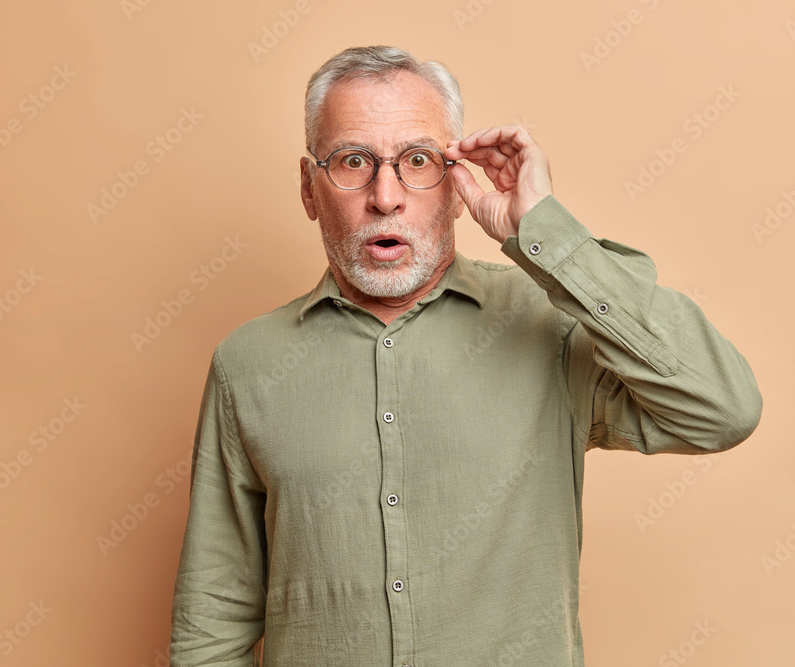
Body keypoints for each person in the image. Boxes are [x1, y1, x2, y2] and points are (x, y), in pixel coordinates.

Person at [169, 45, 762, 667]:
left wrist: (545, 234)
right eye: (352, 161)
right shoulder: (249, 363)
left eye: (418, 160)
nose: (386, 196)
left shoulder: (551, 327)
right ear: (309, 189)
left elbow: (722, 410)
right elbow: (215, 611)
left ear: (458, 185)